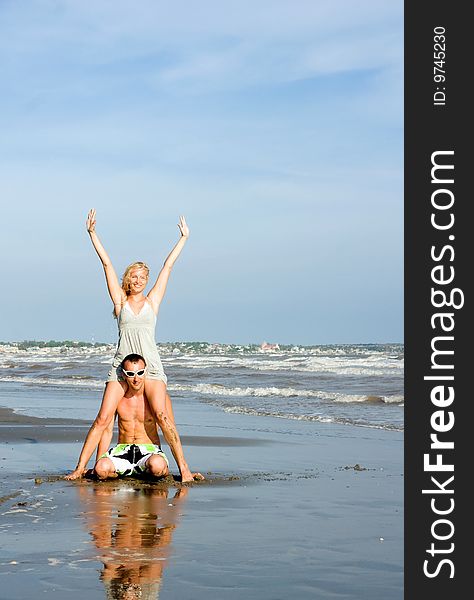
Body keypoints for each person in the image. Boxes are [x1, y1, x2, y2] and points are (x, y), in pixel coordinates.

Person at [83, 208, 195, 481]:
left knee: (160, 414)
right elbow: (107, 266)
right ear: (128, 279)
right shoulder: (120, 302)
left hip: (151, 365)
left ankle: (185, 469)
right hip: (122, 366)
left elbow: (168, 267)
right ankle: (90, 466)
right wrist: (92, 234)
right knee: (104, 417)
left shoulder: (152, 301)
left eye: (143, 277)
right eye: (134, 276)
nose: (139, 280)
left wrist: (183, 239)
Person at [65, 354, 202, 481]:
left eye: (140, 373)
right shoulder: (118, 398)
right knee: (101, 469)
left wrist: (184, 469)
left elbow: (170, 431)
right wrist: (97, 465)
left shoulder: (159, 399)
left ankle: (162, 471)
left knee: (157, 466)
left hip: (149, 451)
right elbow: (106, 431)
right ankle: (95, 470)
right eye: (131, 374)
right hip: (122, 451)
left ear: (145, 372)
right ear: (124, 375)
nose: (136, 379)